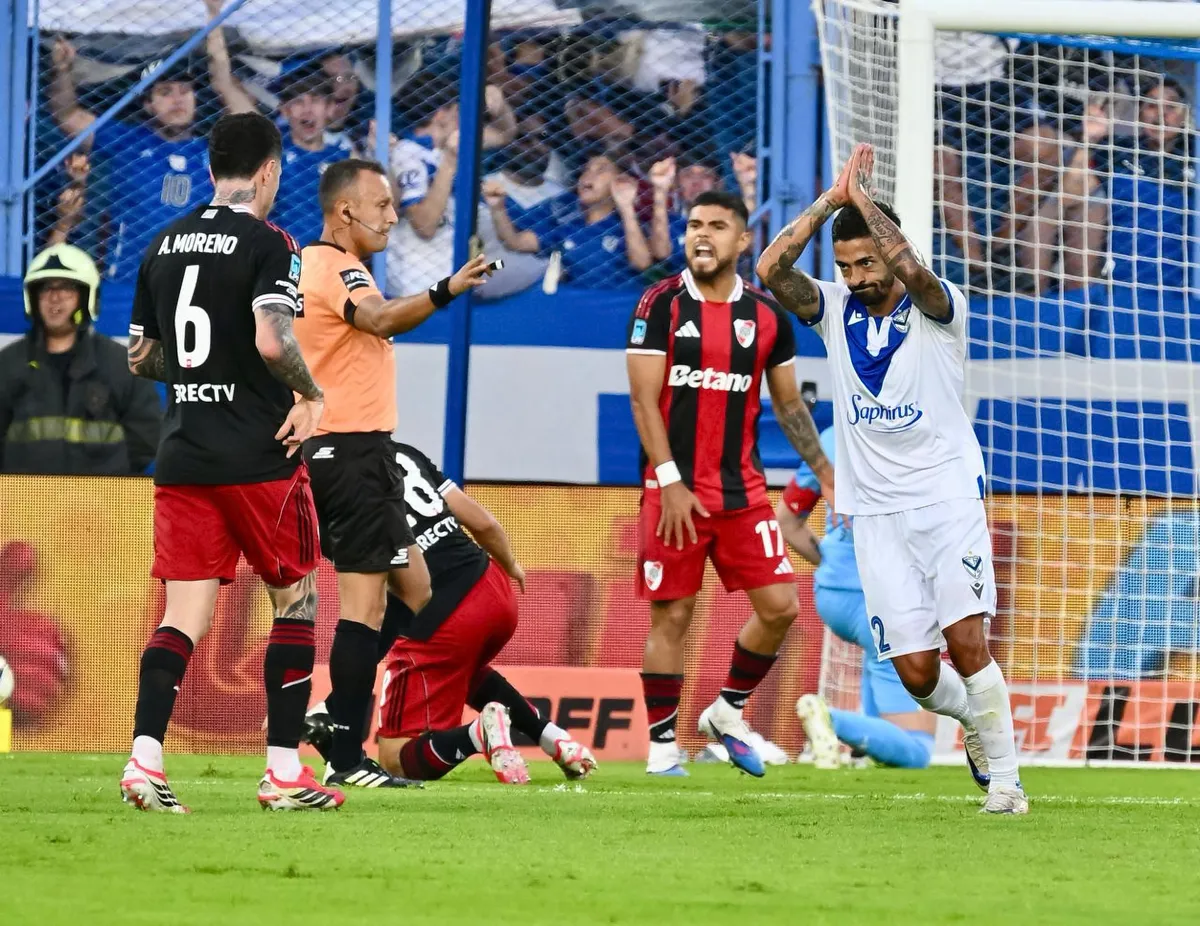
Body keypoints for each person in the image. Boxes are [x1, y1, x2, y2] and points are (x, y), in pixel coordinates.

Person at [756, 142, 1027, 814]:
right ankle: (972, 724)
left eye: (867, 263)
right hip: (874, 516)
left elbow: (912, 266)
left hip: (944, 499)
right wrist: (832, 201)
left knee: (967, 642)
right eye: (846, 267)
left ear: (891, 252)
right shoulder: (831, 312)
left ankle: (1007, 782)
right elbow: (770, 267)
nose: (857, 277)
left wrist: (866, 204)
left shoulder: (942, 310)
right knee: (917, 675)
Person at [120, 112, 341, 813]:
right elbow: (273, 341)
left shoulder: (163, 242)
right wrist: (310, 393)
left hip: (183, 453)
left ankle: (143, 762)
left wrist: (200, 371)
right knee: (296, 597)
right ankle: (281, 772)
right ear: (270, 170)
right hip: (259, 454)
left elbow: (141, 356)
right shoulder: (270, 241)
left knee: (183, 615)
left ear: (213, 166)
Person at [293, 158, 494, 788]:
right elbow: (378, 319)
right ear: (345, 210)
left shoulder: (311, 266)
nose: (392, 214)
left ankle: (334, 718)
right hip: (347, 452)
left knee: (415, 588)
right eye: (381, 204)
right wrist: (446, 288)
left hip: (354, 453)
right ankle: (345, 751)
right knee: (364, 605)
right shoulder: (337, 265)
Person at [625, 190, 833, 778]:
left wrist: (825, 474)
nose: (702, 235)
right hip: (674, 492)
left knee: (782, 607)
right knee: (673, 617)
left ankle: (725, 710)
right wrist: (668, 481)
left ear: (743, 241)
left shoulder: (768, 316)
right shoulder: (659, 304)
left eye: (718, 226)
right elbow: (643, 401)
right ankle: (663, 747)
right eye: (694, 224)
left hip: (741, 491)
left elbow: (789, 405)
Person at [304, 442, 597, 784]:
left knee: (396, 756)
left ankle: (478, 734)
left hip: (439, 614)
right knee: (462, 670)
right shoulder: (401, 451)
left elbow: (369, 606)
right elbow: (481, 522)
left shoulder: (316, 468)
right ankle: (554, 739)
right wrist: (511, 563)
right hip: (491, 588)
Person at [775, 412, 936, 770]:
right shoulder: (916, 436)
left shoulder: (831, 439)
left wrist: (831, 563)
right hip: (884, 597)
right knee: (918, 750)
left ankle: (865, 751)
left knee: (875, 657)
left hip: (834, 593)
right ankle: (830, 718)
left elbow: (786, 522)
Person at [49, 41, 238, 281]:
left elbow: (256, 131)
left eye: (185, 90)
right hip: (130, 282)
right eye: (165, 91)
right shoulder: (128, 140)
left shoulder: (214, 153)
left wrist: (224, 81)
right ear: (148, 104)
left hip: (195, 287)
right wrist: (63, 70)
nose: (178, 99)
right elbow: (68, 116)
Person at [0, 244, 161, 475]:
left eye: (66, 288)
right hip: (25, 504)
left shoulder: (120, 365)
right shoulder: (8, 365)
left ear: (86, 297)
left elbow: (147, 434)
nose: (55, 298)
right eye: (45, 288)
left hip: (102, 503)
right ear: (32, 298)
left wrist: (110, 477)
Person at [205, 5, 351, 246]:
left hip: (327, 266)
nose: (307, 109)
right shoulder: (270, 144)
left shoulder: (344, 157)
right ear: (284, 110)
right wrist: (214, 15)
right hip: (278, 261)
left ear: (329, 108)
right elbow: (223, 81)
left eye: (315, 100)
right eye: (297, 101)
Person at [387, 72, 517, 295]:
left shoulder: (449, 144)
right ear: (441, 115)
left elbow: (505, 134)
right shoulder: (407, 153)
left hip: (450, 270)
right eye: (457, 111)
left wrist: (500, 104)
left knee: (521, 265)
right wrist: (448, 163)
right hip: (418, 282)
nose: (462, 118)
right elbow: (425, 226)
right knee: (529, 270)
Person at [483, 152, 653, 289]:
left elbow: (642, 263)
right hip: (572, 312)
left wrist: (625, 206)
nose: (588, 176)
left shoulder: (628, 227)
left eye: (601, 170)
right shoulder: (566, 225)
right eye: (586, 169)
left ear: (621, 181)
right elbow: (515, 242)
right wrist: (497, 207)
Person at [475, 113, 566, 299]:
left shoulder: (564, 198)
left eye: (543, 138)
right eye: (523, 138)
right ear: (507, 142)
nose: (535, 146)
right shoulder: (480, 189)